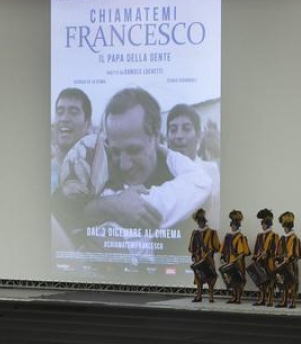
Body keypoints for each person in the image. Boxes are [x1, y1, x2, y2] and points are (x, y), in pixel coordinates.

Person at [54, 87, 211, 245]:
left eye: (134, 150)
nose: (123, 165)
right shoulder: (101, 166)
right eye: (115, 151)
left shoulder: (182, 183)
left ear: (155, 137)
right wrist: (110, 205)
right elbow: (58, 206)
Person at [52, 88, 93, 192]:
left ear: (87, 124)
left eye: (73, 112)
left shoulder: (98, 173)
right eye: (59, 112)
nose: (64, 118)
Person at [188, 209, 221, 303]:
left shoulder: (212, 232)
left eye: (201, 221)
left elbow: (217, 247)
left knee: (210, 278)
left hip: (208, 259)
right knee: (198, 278)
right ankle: (199, 296)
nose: (200, 223)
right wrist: (194, 255)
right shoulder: (195, 233)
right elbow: (191, 247)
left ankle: (211, 297)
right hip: (198, 259)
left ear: (204, 221)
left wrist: (210, 251)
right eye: (198, 221)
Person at [220, 210, 250, 304]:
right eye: (231, 225)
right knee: (232, 280)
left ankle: (238, 297)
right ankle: (233, 296)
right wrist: (223, 257)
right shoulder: (228, 236)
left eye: (234, 225)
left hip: (238, 262)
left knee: (238, 280)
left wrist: (237, 259)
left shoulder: (241, 237)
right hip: (230, 260)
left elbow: (244, 252)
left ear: (237, 226)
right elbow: (224, 249)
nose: (232, 227)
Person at [274, 212, 301, 309]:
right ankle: (284, 301)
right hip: (282, 264)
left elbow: (294, 254)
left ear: (289, 227)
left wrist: (285, 262)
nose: (284, 228)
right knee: (283, 283)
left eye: (285, 226)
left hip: (291, 264)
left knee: (292, 283)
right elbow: (278, 251)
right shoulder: (282, 238)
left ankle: (293, 302)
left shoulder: (294, 238)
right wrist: (277, 260)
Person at [252, 209, 279, 307]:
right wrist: (255, 257)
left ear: (268, 224)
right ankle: (262, 299)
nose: (262, 226)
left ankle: (270, 300)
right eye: (262, 224)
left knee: (271, 281)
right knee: (261, 281)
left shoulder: (274, 236)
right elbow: (256, 248)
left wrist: (268, 253)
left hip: (270, 261)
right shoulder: (259, 236)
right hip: (261, 261)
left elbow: (276, 249)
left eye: (263, 224)